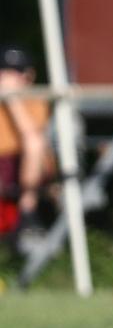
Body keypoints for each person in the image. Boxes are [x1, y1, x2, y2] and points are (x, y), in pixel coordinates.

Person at [0, 45, 52, 252]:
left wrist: (12, 100)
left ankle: (27, 212)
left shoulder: (35, 100)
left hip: (31, 168)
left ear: (29, 76)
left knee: (34, 142)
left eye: (17, 72)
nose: (10, 77)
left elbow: (32, 135)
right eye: (4, 70)